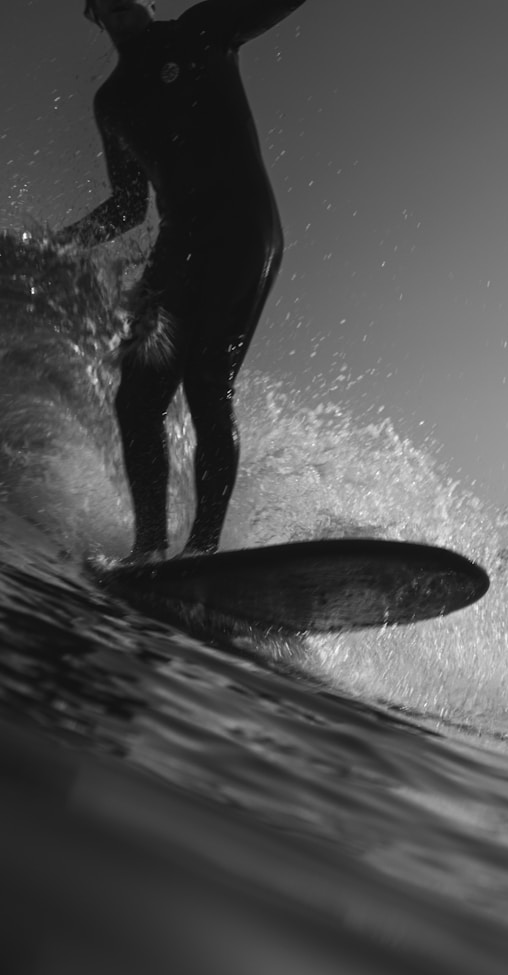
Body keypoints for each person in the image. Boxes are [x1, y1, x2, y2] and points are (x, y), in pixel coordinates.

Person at [57, 0, 307, 560]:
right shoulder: (113, 102)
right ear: (92, 15)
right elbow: (127, 207)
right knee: (138, 399)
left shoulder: (203, 29)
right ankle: (149, 550)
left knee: (206, 382)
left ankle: (203, 551)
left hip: (243, 230)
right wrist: (62, 243)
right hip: (180, 244)